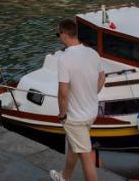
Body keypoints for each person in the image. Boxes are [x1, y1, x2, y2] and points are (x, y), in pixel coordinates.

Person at [50, 17, 105, 181]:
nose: (58, 37)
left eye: (58, 34)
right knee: (75, 146)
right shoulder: (92, 53)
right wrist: (91, 93)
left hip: (75, 117)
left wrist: (62, 113)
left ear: (65, 34)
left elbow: (63, 92)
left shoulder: (64, 59)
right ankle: (64, 177)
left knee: (86, 157)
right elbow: (102, 77)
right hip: (91, 112)